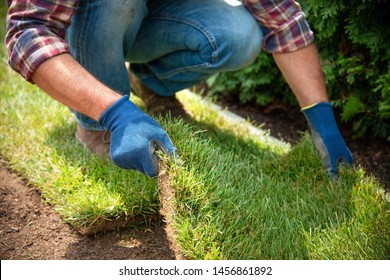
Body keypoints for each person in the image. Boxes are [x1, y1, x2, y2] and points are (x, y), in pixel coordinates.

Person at [5, 0, 353, 179]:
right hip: (93, 20)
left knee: (240, 35)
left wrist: (322, 120)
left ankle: (151, 83)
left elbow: (284, 19)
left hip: (152, 20)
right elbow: (26, 32)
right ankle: (94, 125)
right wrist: (113, 112)